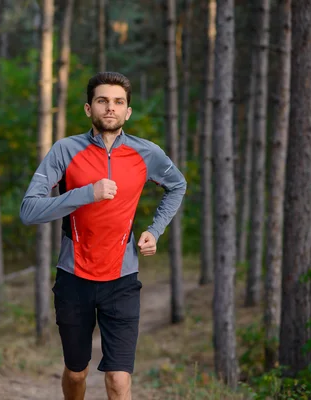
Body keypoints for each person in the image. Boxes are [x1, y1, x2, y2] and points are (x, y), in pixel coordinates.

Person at [19, 72, 187, 400]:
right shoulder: (65, 150)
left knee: (118, 380)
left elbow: (177, 186)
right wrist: (86, 193)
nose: (110, 108)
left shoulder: (147, 153)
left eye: (118, 102)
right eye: (102, 101)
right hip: (73, 278)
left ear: (128, 112)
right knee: (76, 372)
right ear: (88, 108)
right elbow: (29, 210)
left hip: (122, 280)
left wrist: (155, 230)